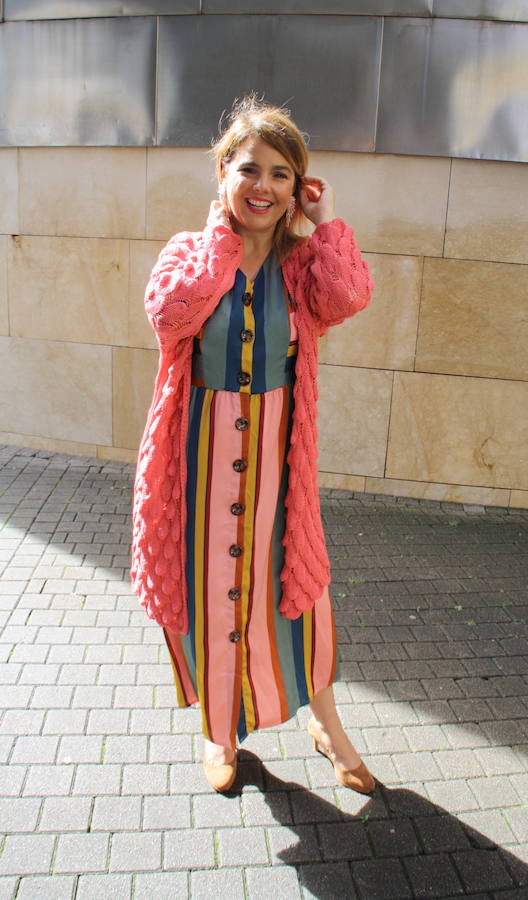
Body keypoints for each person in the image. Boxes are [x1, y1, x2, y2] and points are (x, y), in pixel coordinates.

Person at [131, 96, 374, 793]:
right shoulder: (190, 252)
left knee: (294, 592)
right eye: (247, 170)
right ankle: (218, 731)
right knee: (210, 592)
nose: (261, 186)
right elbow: (169, 313)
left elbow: (349, 295)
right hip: (196, 459)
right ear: (222, 176)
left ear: (296, 185)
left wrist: (324, 224)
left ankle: (324, 720)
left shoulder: (302, 265)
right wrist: (220, 242)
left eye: (279, 173)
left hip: (276, 462)